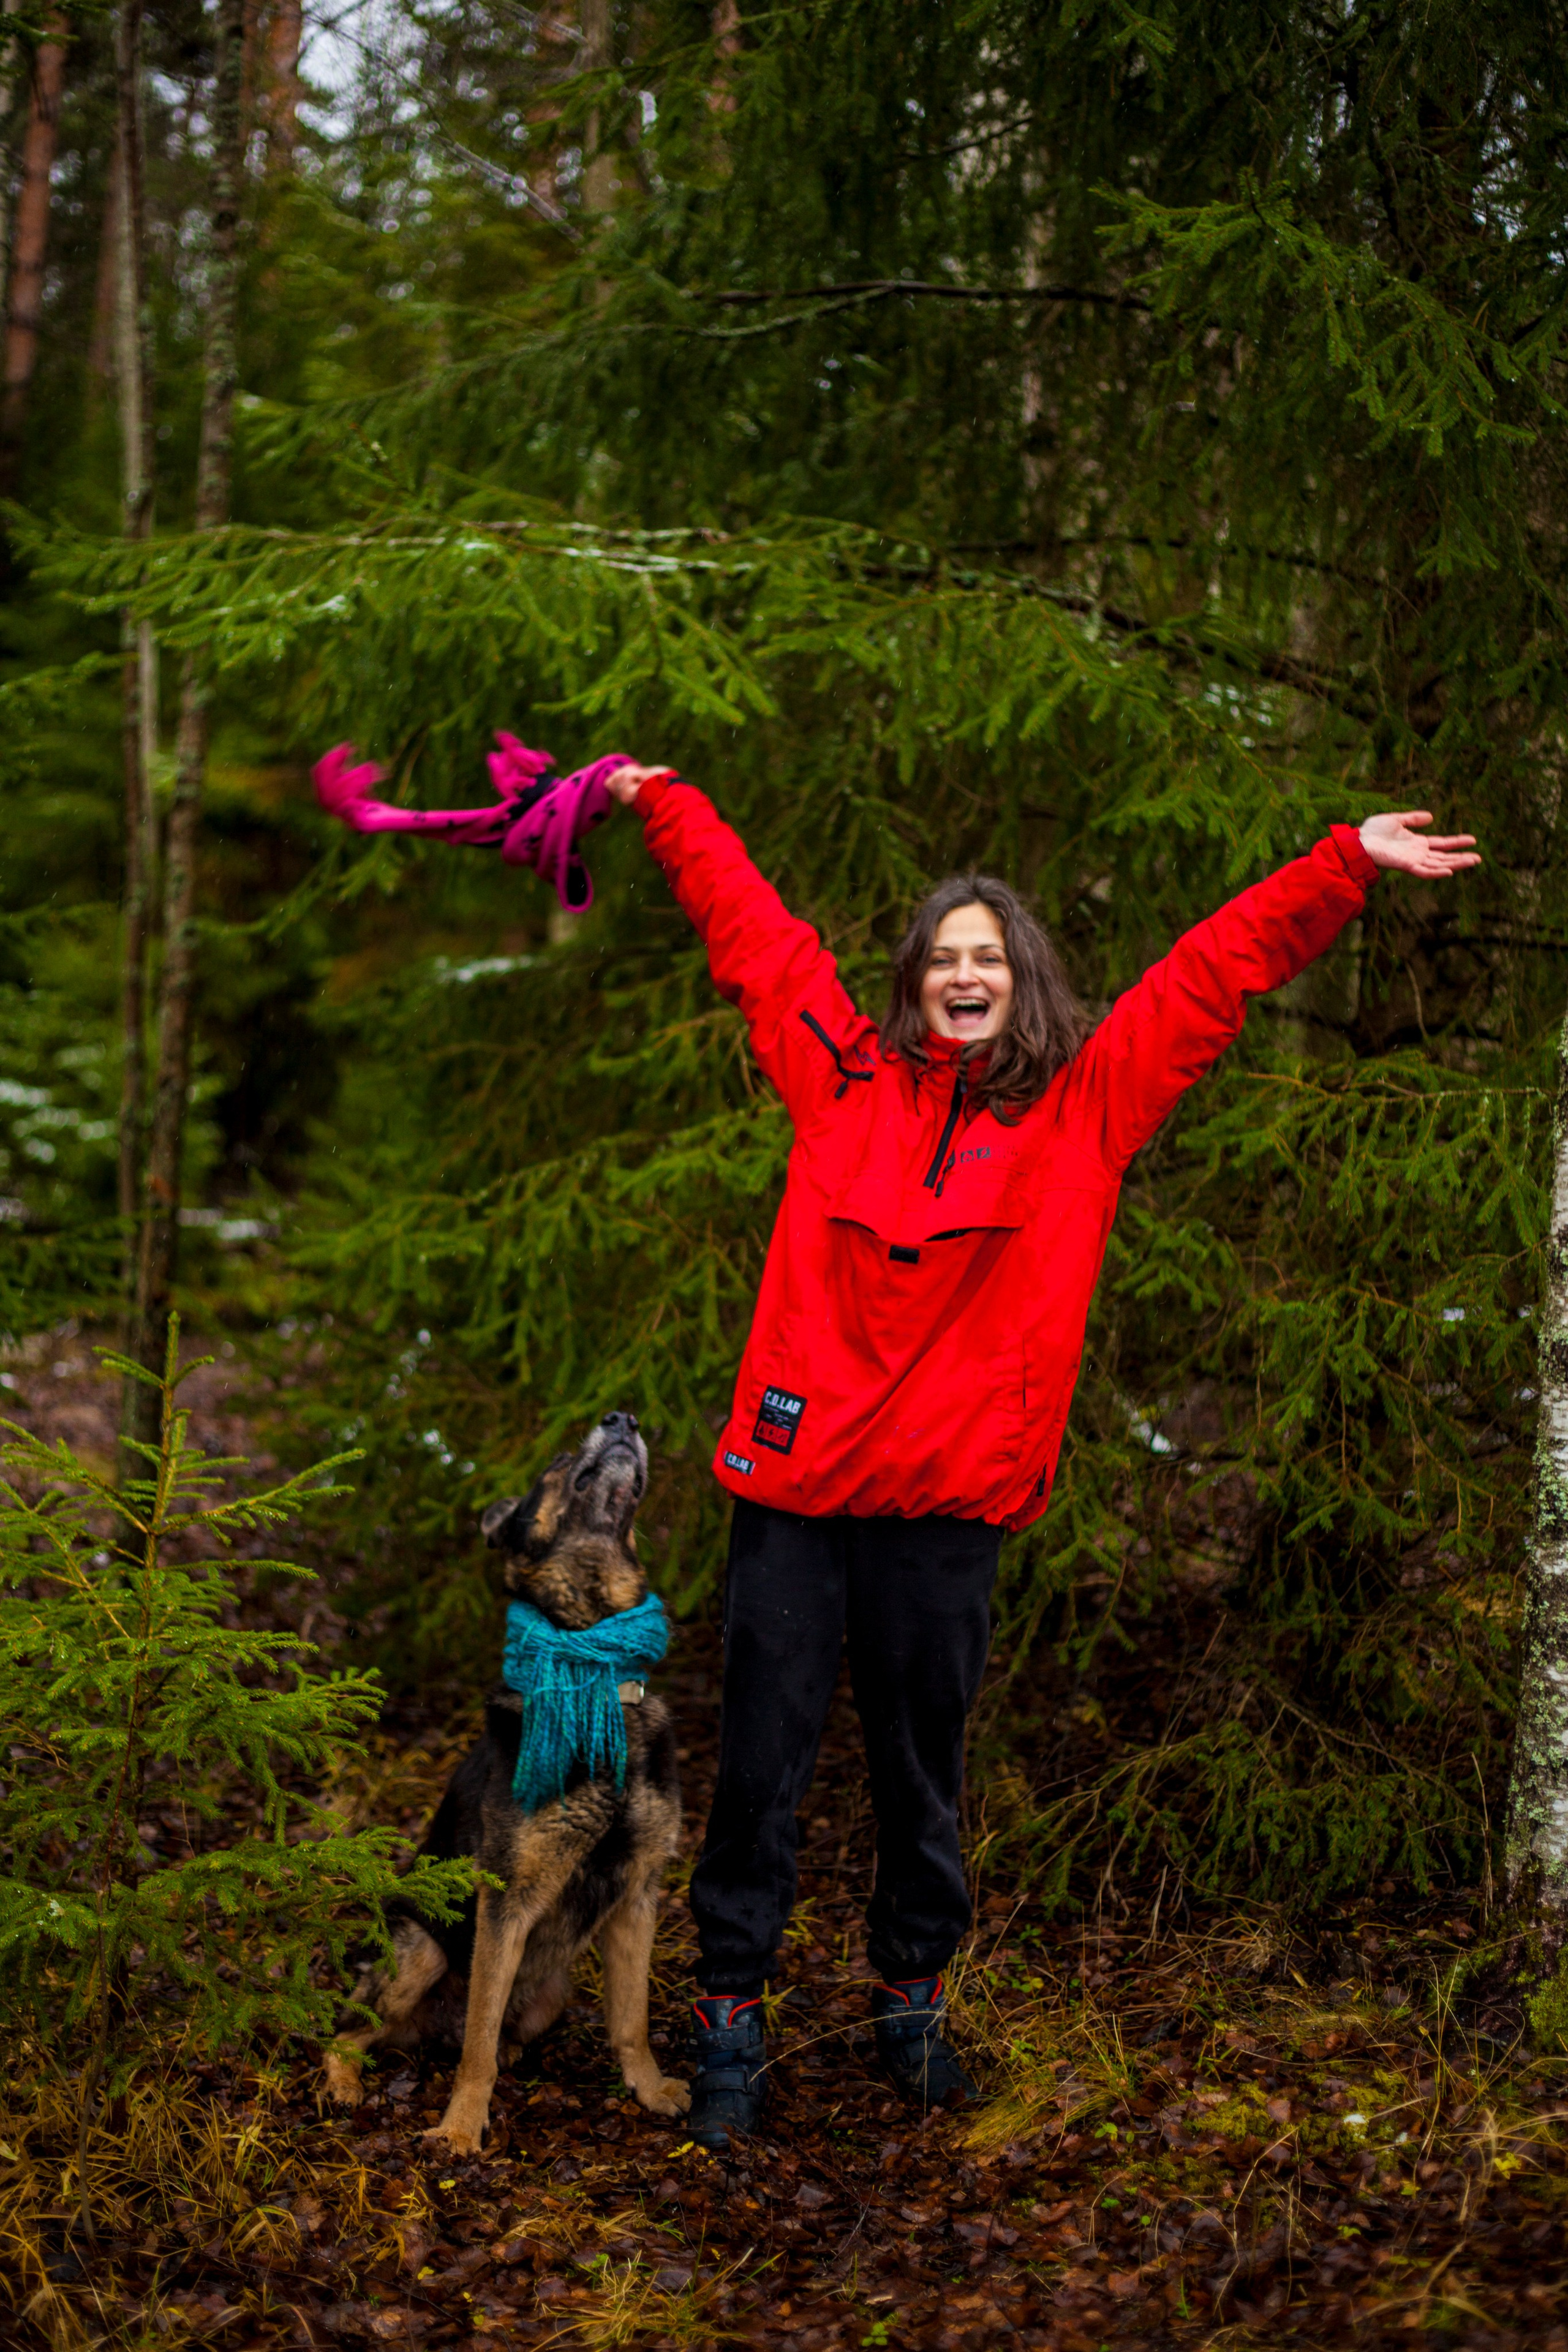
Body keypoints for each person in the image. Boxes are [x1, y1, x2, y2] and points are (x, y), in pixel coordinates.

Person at [601, 763, 1479, 2150]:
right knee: (760, 1766)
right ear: (912, 981)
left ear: (1021, 982)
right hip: (793, 1500)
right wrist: (666, 802)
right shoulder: (835, 1078)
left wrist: (1342, 863)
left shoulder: (1082, 1113)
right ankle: (729, 2014)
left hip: (945, 1511)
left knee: (918, 1769)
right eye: (944, 959)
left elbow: (1206, 977)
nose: (966, 977)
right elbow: (752, 929)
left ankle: (907, 1999)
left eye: (988, 959)